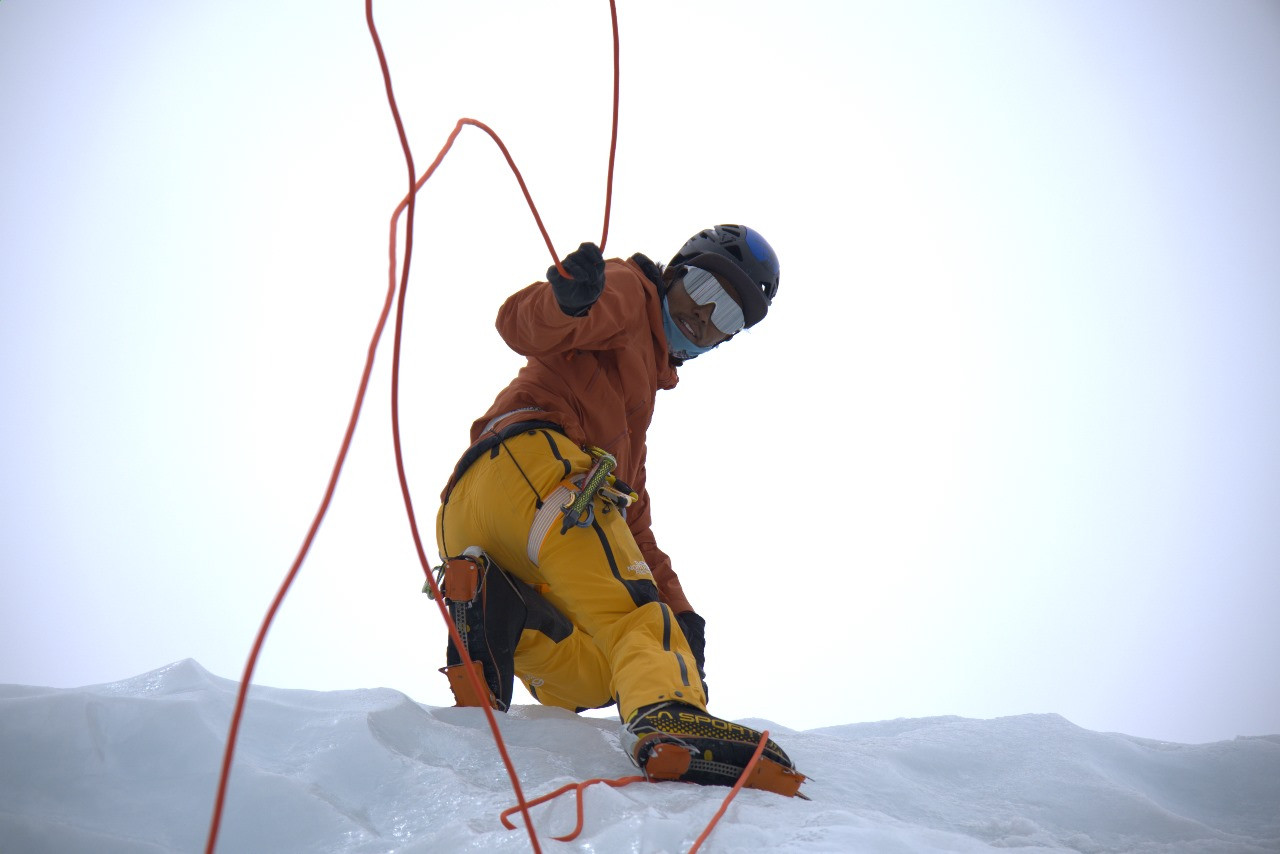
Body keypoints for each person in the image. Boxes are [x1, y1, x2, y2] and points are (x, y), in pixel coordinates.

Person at [433, 225, 804, 795]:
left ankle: (497, 608)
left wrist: (685, 617)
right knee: (637, 620)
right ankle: (670, 714)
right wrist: (566, 298)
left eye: (728, 317)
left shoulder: (632, 426)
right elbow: (521, 324)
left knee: (597, 673)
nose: (706, 316)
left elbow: (633, 526)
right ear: (676, 271)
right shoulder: (630, 293)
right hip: (539, 466)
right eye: (704, 288)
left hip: (473, 514)